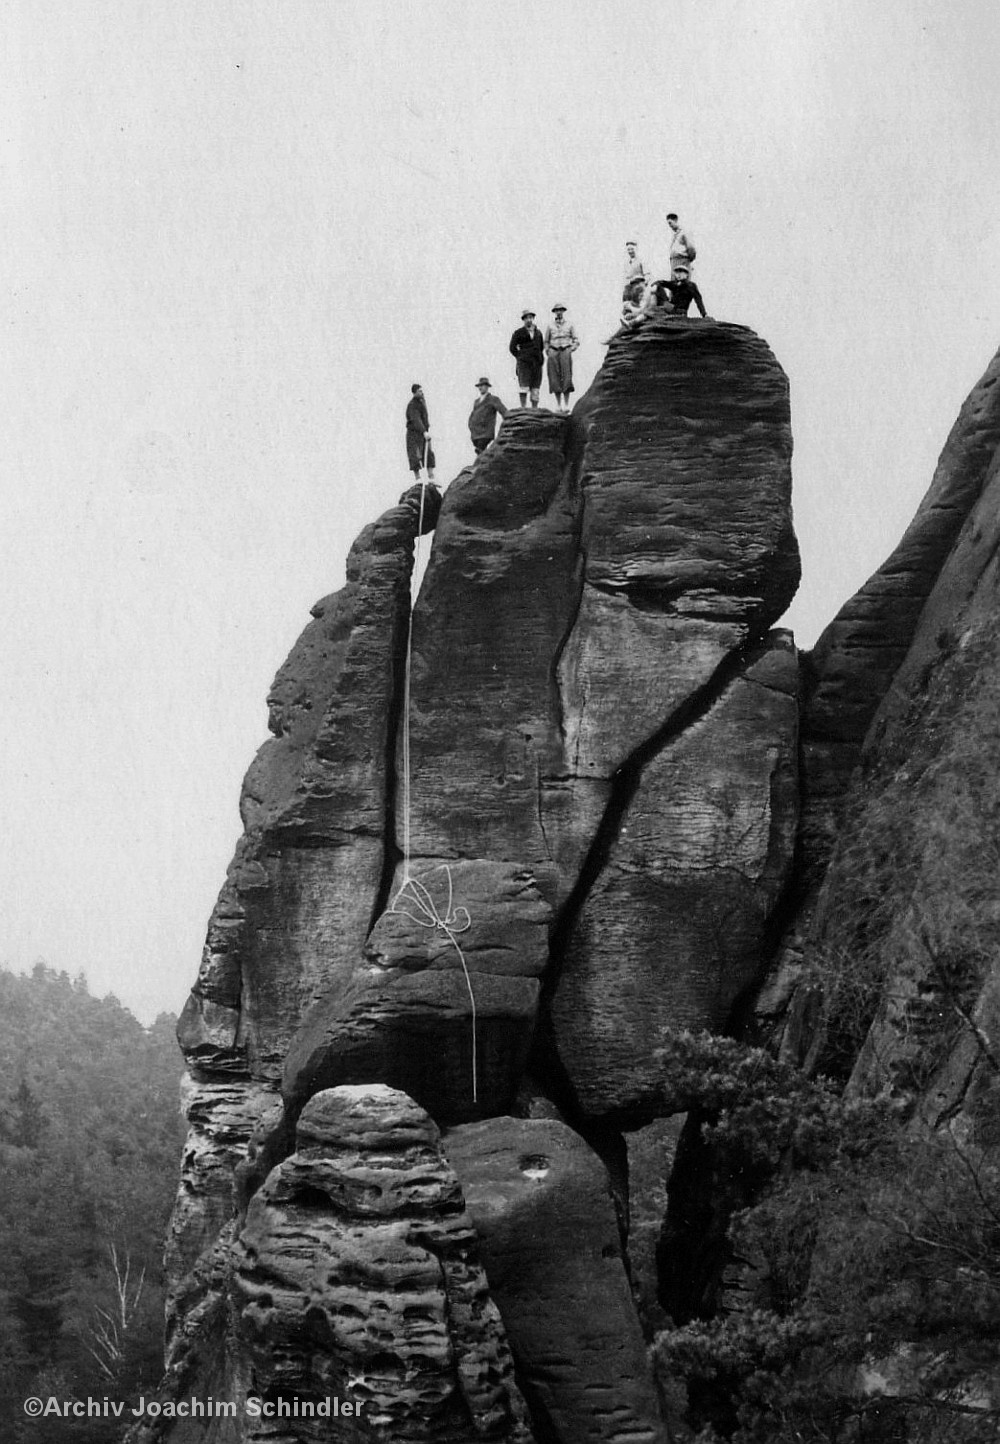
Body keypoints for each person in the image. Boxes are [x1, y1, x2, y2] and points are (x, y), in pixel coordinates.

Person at [544, 305, 580, 412]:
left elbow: (576, 340)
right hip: (554, 351)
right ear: (554, 312)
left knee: (566, 376)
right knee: (554, 377)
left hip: (565, 351)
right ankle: (558, 404)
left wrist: (571, 349)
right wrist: (548, 351)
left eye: (560, 310)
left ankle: (566, 404)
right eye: (556, 311)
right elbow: (546, 341)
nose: (558, 312)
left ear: (563, 311)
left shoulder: (569, 325)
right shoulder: (550, 326)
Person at [508, 310, 544, 408]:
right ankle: (523, 408)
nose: (529, 320)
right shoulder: (518, 333)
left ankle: (534, 410)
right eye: (526, 318)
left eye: (530, 318)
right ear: (523, 320)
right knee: (524, 386)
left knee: (535, 387)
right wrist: (521, 356)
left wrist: (540, 359)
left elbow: (541, 347)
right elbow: (512, 348)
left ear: (533, 319)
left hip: (536, 363)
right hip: (524, 364)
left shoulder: (538, 333)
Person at [468, 377, 508, 455]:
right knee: (480, 453)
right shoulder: (476, 402)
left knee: (481, 450)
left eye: (482, 385)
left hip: (485, 432)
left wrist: (508, 420)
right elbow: (473, 415)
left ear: (487, 387)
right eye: (479, 386)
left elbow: (503, 411)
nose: (480, 387)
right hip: (475, 433)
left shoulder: (493, 399)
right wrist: (471, 426)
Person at [405, 383, 435, 479]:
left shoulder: (422, 403)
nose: (422, 393)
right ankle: (418, 478)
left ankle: (431, 476)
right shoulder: (412, 405)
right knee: (415, 455)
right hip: (414, 433)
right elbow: (416, 419)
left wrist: (426, 430)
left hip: (423, 433)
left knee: (428, 453)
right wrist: (424, 431)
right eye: (419, 391)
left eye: (422, 391)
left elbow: (425, 418)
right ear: (414, 393)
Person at [666, 212, 696, 277]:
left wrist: (687, 260)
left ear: (675, 220)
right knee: (674, 283)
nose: (670, 226)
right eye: (668, 224)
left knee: (682, 283)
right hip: (674, 262)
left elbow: (691, 248)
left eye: (670, 223)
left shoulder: (684, 232)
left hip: (682, 261)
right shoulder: (675, 235)